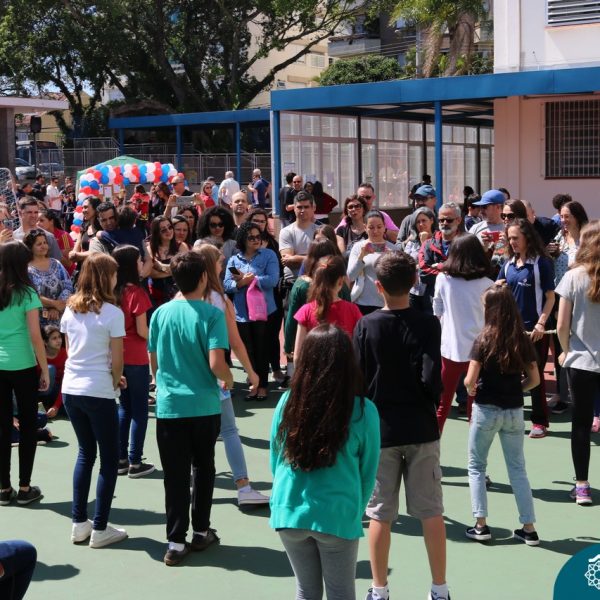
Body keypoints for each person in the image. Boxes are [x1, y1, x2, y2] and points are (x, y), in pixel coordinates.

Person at [353, 252, 449, 600]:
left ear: (378, 287)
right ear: (415, 282)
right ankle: (440, 589)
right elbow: (432, 376)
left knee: (380, 514)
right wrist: (428, 399)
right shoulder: (428, 324)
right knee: (431, 511)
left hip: (381, 430)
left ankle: (379, 589)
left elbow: (358, 380)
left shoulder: (366, 325)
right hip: (421, 427)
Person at [270, 324, 380, 600]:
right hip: (337, 514)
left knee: (306, 591)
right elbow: (368, 474)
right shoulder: (364, 411)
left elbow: (275, 458)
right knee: (341, 593)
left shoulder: (286, 402)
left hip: (288, 511)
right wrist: (353, 513)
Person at [148, 251, 233, 566]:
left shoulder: (160, 314)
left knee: (175, 475)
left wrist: (164, 384)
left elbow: (154, 362)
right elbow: (217, 363)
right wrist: (229, 379)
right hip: (204, 406)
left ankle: (175, 541)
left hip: (171, 407)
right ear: (203, 278)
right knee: (204, 468)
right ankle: (200, 531)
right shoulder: (212, 315)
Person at [60, 252, 128, 548]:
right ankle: (100, 528)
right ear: (105, 277)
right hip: (98, 391)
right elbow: (118, 361)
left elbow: (72, 351)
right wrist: (115, 380)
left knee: (85, 453)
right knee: (109, 460)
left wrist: (111, 376)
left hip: (71, 390)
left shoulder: (69, 309)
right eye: (114, 274)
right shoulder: (113, 313)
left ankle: (79, 524)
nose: (116, 278)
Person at [463, 286, 540, 545]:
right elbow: (535, 379)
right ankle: (529, 528)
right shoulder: (522, 339)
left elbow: (470, 380)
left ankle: (481, 525)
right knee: (517, 469)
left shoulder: (483, 339)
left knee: (476, 466)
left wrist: (470, 387)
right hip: (514, 412)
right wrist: (516, 389)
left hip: (486, 410)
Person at [194, 243, 270, 506]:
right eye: (219, 262)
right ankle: (243, 486)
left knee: (196, 436)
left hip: (190, 378)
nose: (222, 265)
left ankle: (196, 490)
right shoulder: (219, 300)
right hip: (214, 377)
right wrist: (252, 373)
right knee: (229, 430)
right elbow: (235, 342)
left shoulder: (181, 299)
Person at [0, 241, 49, 507]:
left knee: (2, 427)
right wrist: (44, 368)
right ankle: (24, 487)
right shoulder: (27, 293)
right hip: (23, 366)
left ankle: (3, 488)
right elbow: (35, 335)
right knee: (28, 426)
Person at [498, 218, 555, 439]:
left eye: (516, 238)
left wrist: (541, 323)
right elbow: (497, 288)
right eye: (510, 238)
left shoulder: (541, 264)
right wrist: (497, 286)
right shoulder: (508, 264)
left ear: (528, 238)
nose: (512, 242)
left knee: (535, 377)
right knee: (510, 374)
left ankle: (539, 422)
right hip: (510, 331)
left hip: (534, 332)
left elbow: (550, 298)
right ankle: (511, 417)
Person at [556, 221, 600, 506]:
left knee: (581, 425)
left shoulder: (573, 277)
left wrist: (565, 351)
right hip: (584, 361)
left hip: (581, 363)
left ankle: (582, 486)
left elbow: (562, 324)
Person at [433, 235, 494, 432]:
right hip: (479, 352)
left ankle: (432, 447)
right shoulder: (487, 284)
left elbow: (437, 307)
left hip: (450, 349)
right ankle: (475, 450)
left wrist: (443, 326)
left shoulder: (443, 279)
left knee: (442, 404)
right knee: (474, 405)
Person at [224, 222, 280, 401]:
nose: (256, 240)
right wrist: (241, 282)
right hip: (241, 313)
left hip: (263, 311)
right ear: (243, 240)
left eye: (258, 236)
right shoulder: (234, 260)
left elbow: (272, 280)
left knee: (262, 348)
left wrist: (252, 279)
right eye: (251, 237)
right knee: (247, 350)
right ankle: (254, 384)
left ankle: (262, 386)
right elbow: (227, 284)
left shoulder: (269, 255)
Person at [112, 245, 155, 479]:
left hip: (117, 355)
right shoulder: (137, 293)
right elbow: (142, 330)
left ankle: (120, 459)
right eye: (139, 260)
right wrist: (158, 337)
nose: (142, 264)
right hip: (136, 358)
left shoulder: (111, 292)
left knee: (124, 407)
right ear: (131, 264)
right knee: (139, 410)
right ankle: (135, 462)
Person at [246, 208, 287, 386]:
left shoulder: (272, 244)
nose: (259, 224)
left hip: (272, 296)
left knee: (272, 335)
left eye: (262, 221)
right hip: (250, 297)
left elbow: (276, 273)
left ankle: (276, 368)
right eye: (255, 220)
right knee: (253, 337)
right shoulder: (243, 244)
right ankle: (253, 371)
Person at [293, 255, 362, 358]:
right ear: (341, 281)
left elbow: (298, 355)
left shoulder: (306, 310)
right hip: (344, 366)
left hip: (314, 367)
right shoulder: (353, 310)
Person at [347, 210, 396, 315]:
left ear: (385, 227)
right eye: (371, 227)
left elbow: (400, 277)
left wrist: (392, 259)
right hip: (363, 302)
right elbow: (350, 276)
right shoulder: (358, 247)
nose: (375, 231)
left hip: (387, 303)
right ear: (365, 228)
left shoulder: (393, 249)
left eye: (379, 227)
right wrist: (361, 257)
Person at [24, 229, 73, 328]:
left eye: (45, 242)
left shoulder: (56, 263)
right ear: (30, 247)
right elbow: (30, 296)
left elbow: (68, 286)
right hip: (39, 323)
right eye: (39, 244)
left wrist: (57, 307)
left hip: (63, 319)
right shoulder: (26, 270)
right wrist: (53, 304)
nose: (43, 246)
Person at [397, 206, 436, 311]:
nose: (421, 224)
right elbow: (405, 263)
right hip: (414, 290)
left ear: (431, 220)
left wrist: (424, 243)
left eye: (424, 221)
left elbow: (432, 263)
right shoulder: (412, 242)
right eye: (418, 222)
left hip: (431, 289)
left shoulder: (438, 240)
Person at [279, 191, 321, 285]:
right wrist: (313, 259)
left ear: (313, 208)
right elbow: (288, 262)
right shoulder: (286, 231)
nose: (302, 210)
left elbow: (324, 260)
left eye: (306, 207)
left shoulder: (320, 231)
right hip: (293, 282)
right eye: (299, 207)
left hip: (316, 282)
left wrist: (295, 258)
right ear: (294, 208)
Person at [146, 216, 189, 307]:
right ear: (157, 233)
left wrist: (161, 267)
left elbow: (186, 270)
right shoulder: (150, 248)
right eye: (163, 230)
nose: (168, 231)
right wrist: (175, 270)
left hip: (178, 294)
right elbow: (151, 273)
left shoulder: (181, 246)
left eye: (170, 227)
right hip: (157, 296)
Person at [36, 208, 75, 275]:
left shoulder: (64, 236)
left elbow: (68, 263)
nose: (38, 224)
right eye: (36, 221)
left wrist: (52, 250)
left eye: (41, 220)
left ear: (51, 221)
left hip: (66, 275)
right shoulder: (39, 237)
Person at [40, 325, 66, 419]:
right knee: (50, 369)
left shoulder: (66, 354)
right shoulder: (39, 355)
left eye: (59, 337)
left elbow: (65, 383)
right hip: (41, 391)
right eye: (54, 338)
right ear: (45, 342)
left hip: (59, 391)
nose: (59, 340)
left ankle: (52, 408)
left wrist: (56, 406)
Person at [69, 196, 101, 265]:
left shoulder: (102, 229)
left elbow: (98, 252)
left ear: (95, 208)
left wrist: (78, 255)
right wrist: (74, 254)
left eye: (86, 207)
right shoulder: (84, 227)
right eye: (82, 208)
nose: (83, 210)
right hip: (82, 268)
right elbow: (74, 252)